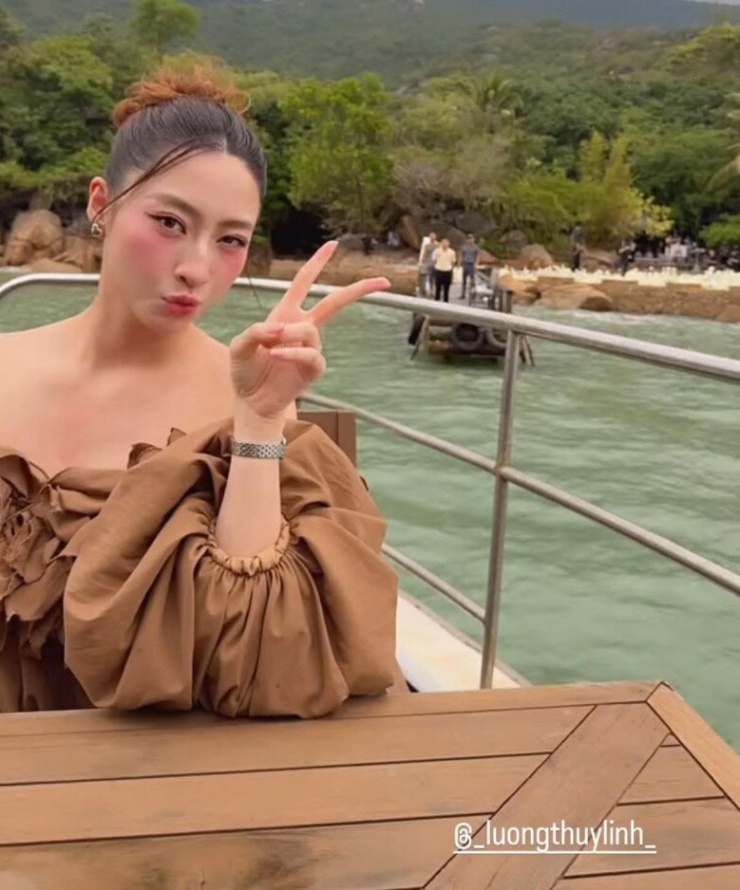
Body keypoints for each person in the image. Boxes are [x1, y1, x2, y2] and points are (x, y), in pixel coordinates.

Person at [0, 66, 400, 718]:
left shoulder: (244, 397)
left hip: (142, 758)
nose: (196, 268)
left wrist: (261, 419)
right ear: (101, 204)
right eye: (169, 222)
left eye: (231, 240)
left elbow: (259, 656)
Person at [431, 237, 456, 302]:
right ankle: (436, 300)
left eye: (446, 243)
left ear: (449, 244)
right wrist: (436, 266)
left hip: (447, 271)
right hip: (439, 270)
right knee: (438, 287)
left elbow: (453, 262)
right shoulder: (437, 251)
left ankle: (445, 301)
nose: (444, 244)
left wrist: (450, 268)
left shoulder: (452, 252)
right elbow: (434, 260)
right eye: (443, 243)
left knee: (446, 288)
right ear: (441, 243)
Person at [459, 233, 480, 303]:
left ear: (473, 239)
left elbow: (478, 256)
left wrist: (476, 264)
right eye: (468, 239)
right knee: (464, 280)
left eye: (471, 239)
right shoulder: (464, 247)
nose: (470, 240)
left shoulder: (476, 247)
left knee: (472, 281)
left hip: (472, 264)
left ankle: (473, 295)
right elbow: (461, 254)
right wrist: (460, 262)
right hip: (465, 264)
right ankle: (463, 294)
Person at [417, 231, 437, 296]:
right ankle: (426, 290)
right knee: (427, 277)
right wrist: (422, 262)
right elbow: (424, 254)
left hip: (435, 263)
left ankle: (432, 290)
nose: (432, 238)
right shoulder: (427, 245)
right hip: (428, 263)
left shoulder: (437, 245)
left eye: (433, 236)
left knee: (433, 278)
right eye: (431, 236)